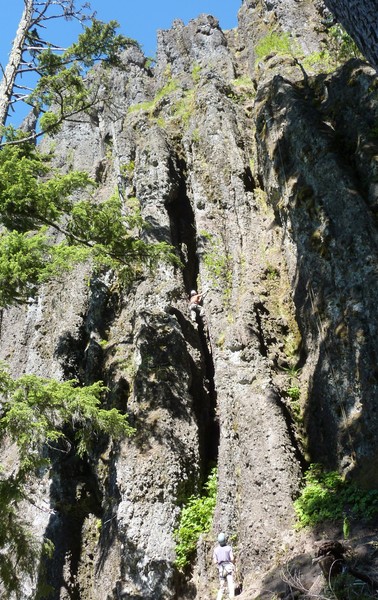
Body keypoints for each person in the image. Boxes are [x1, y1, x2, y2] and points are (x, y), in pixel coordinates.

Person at [213, 532, 235, 600]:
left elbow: (215, 561)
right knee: (230, 582)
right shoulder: (228, 548)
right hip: (228, 567)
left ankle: (219, 598)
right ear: (225, 540)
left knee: (221, 585)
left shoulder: (215, 550)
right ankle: (231, 597)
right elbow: (232, 558)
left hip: (221, 568)